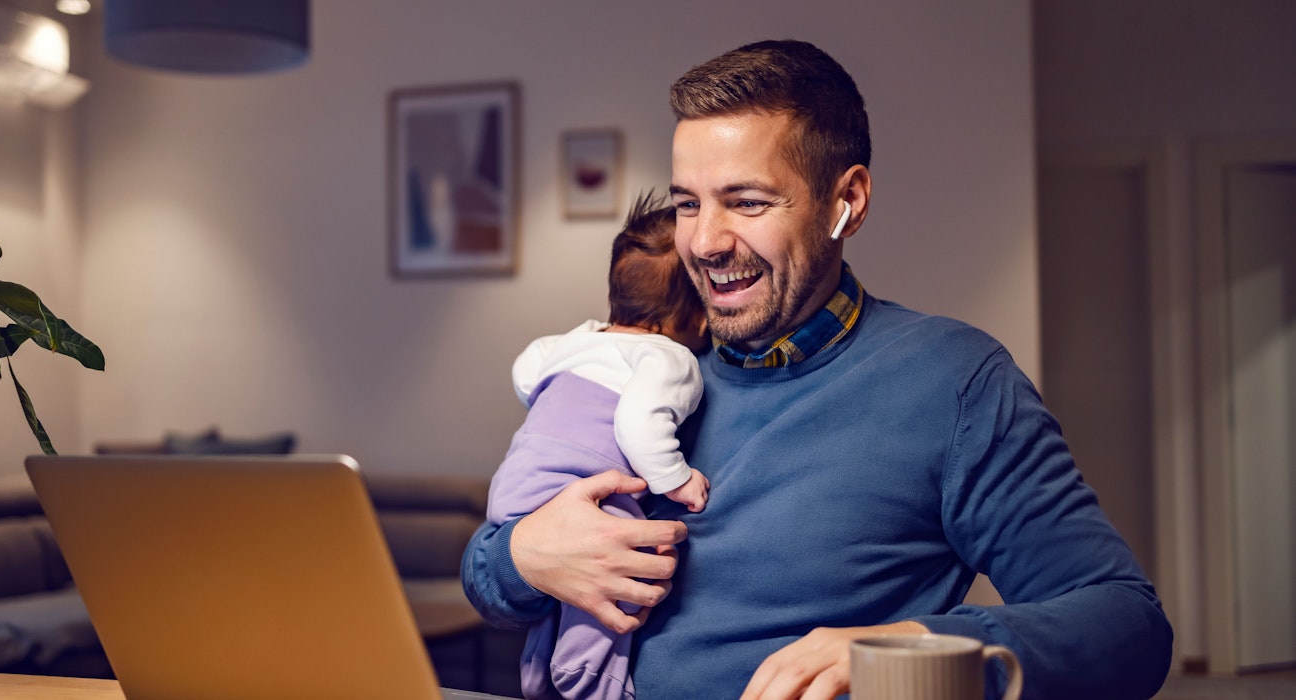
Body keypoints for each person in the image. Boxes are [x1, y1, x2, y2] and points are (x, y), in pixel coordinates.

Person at [461, 39, 1174, 700]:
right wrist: (523, 556)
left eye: (746, 202)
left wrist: (913, 647)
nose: (705, 242)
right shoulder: (650, 364)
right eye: (687, 204)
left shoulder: (953, 382)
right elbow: (489, 570)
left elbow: (1126, 627)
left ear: (847, 202)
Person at [488, 191, 710, 700]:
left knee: (567, 589)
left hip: (519, 491)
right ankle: (595, 682)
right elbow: (638, 423)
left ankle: (539, 672)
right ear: (697, 317)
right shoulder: (673, 360)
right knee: (620, 562)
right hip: (587, 490)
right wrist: (676, 479)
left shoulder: (576, 339)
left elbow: (526, 369)